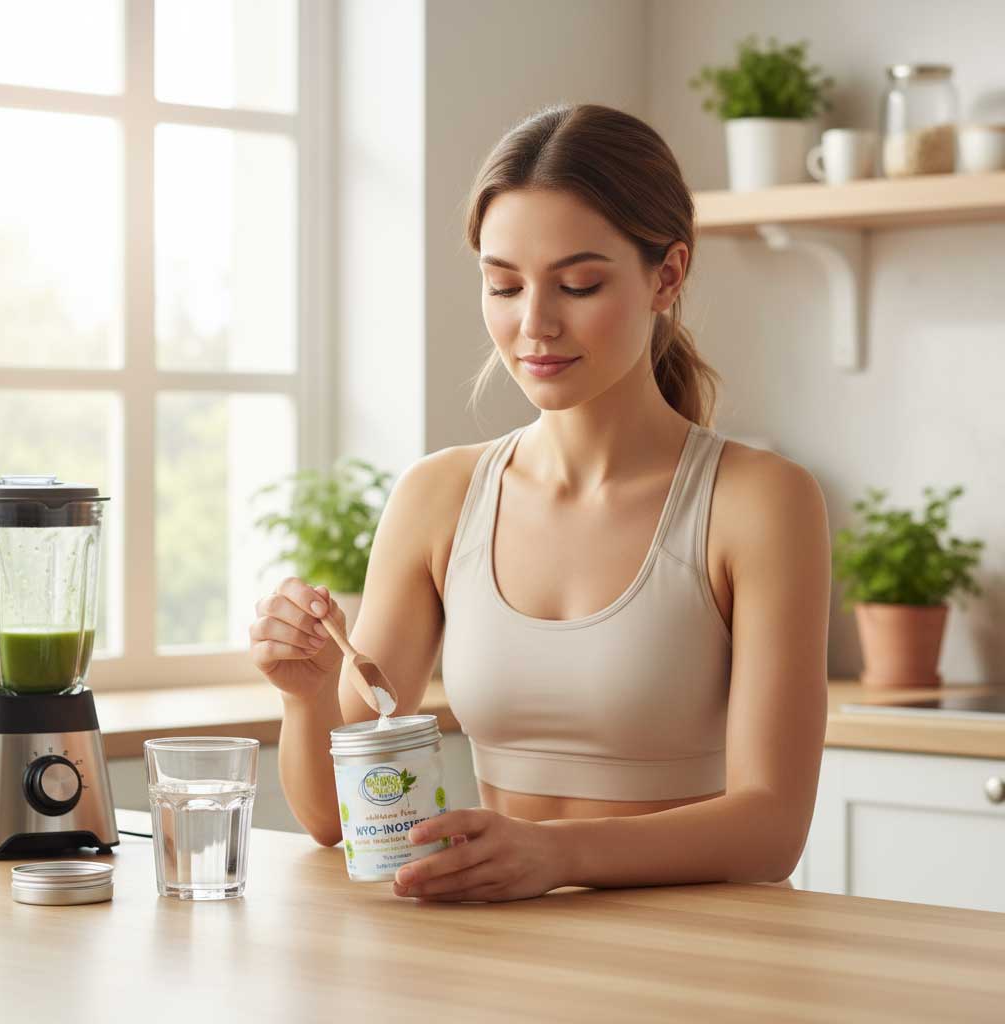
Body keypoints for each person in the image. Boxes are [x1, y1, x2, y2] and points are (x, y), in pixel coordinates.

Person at [249, 103, 830, 904]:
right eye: (503, 285)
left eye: (579, 284)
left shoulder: (758, 502)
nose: (535, 325)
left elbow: (772, 830)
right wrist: (303, 694)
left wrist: (556, 855)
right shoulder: (439, 497)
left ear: (667, 276)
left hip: (701, 962)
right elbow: (334, 817)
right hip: (505, 957)